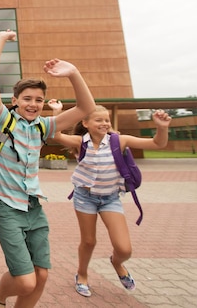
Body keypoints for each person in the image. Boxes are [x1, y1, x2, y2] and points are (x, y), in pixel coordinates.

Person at [0, 30, 96, 308]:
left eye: (39, 100)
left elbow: (86, 107)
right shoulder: (2, 120)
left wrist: (73, 73)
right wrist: (1, 38)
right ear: (15, 100)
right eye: (28, 98)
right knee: (25, 281)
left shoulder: (44, 126)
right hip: (5, 206)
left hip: (33, 206)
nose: (33, 104)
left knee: (42, 275)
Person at [47, 101, 171, 297]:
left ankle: (116, 262)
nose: (104, 123)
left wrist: (161, 127)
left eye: (107, 120)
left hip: (111, 198)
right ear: (86, 123)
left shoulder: (118, 141)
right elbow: (55, 134)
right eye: (99, 120)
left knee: (124, 249)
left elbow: (157, 143)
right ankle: (82, 274)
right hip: (84, 198)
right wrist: (57, 112)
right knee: (88, 241)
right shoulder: (80, 142)